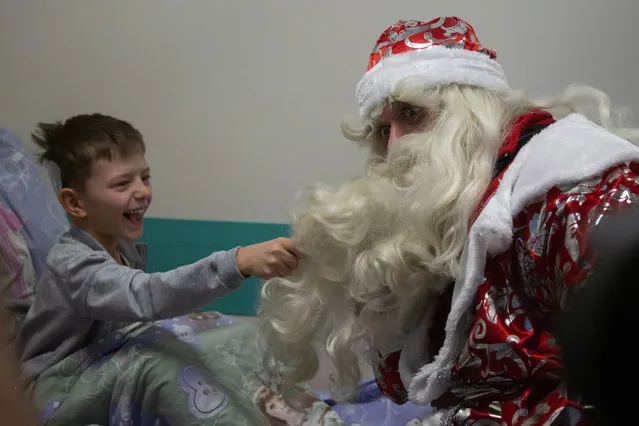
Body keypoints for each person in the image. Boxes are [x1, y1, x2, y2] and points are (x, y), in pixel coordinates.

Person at [257, 16, 639, 425]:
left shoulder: (578, 195)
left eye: (411, 114)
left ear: (473, 115)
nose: (395, 145)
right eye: (383, 129)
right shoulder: (461, 209)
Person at [17, 113, 300, 381]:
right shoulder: (72, 265)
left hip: (92, 375)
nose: (142, 191)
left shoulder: (124, 250)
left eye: (145, 177)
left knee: (212, 327)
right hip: (50, 387)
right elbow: (145, 296)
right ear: (76, 203)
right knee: (160, 363)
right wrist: (237, 262)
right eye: (122, 183)